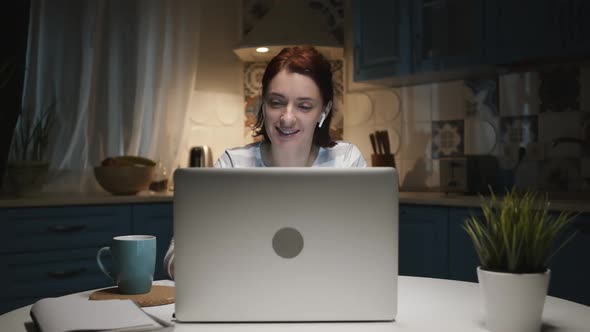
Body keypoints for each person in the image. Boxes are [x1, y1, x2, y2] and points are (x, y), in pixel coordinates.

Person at [163, 45, 366, 278]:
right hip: (246, 297)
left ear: (324, 110)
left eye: (304, 106)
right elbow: (175, 259)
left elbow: (369, 250)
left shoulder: (346, 161)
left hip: (329, 295)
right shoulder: (233, 165)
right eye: (276, 102)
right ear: (264, 104)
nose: (287, 118)